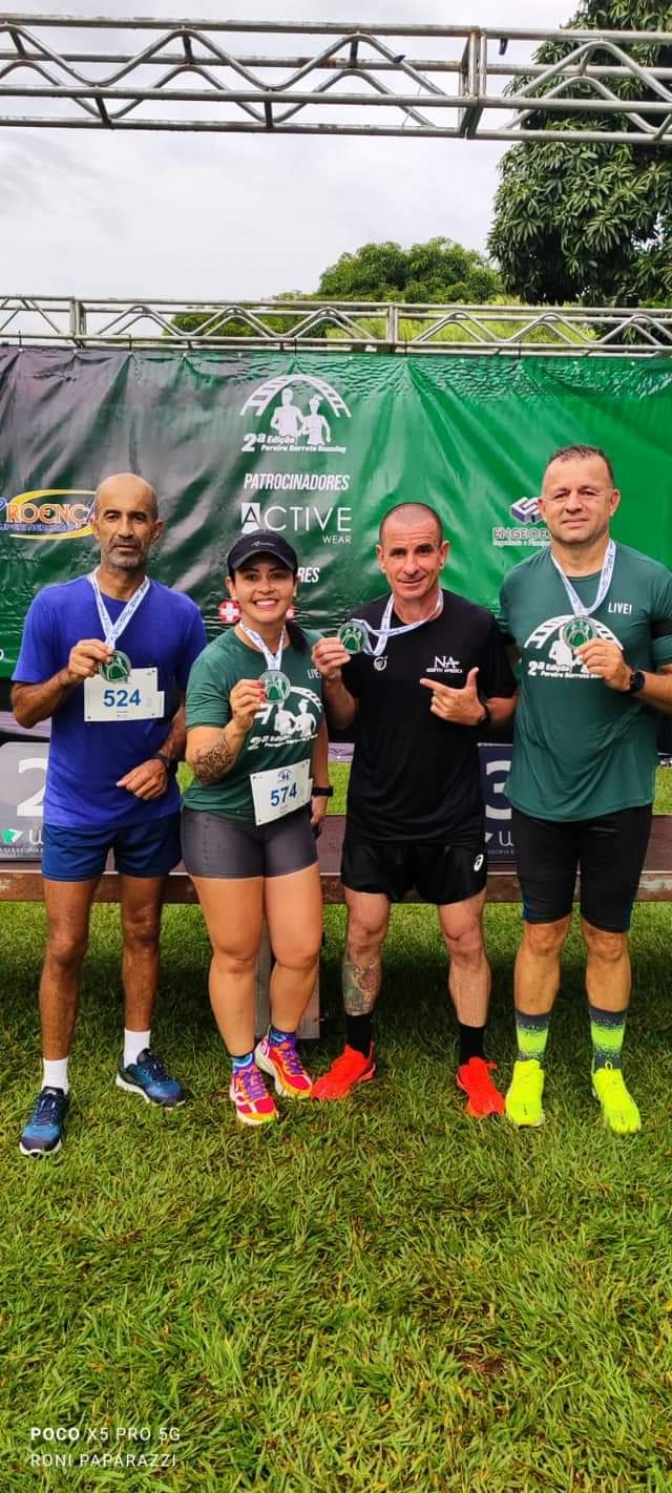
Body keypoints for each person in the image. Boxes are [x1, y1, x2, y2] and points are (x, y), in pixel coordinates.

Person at [11, 472, 207, 1157]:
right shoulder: (55, 606)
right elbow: (25, 708)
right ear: (93, 525)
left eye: (140, 518)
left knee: (144, 930)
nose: (126, 529)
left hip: (150, 805)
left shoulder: (180, 614)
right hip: (74, 805)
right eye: (113, 516)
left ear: (158, 530)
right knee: (65, 944)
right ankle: (55, 1082)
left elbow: (196, 701)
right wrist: (66, 676)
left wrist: (166, 758)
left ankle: (136, 1054)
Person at [311, 502, 517, 1114]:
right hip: (376, 814)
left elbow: (506, 705)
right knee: (363, 935)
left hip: (453, 817)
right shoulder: (359, 626)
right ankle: (357, 1051)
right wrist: (332, 684)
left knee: (464, 938)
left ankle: (473, 1061)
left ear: (444, 554)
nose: (411, 565)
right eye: (398, 553)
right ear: (380, 557)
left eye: (423, 550)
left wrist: (476, 714)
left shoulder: (475, 625)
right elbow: (346, 720)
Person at [500, 445, 672, 1134]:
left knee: (607, 937)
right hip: (539, 790)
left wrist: (631, 677)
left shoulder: (653, 579)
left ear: (612, 501)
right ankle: (529, 1064)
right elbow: (513, 685)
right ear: (540, 507)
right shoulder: (517, 584)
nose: (572, 503)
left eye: (586, 491)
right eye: (559, 493)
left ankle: (607, 1066)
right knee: (541, 932)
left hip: (620, 793)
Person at [182, 530, 330, 1128]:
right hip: (223, 820)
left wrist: (321, 784)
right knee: (238, 951)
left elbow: (318, 720)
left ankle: (281, 1044)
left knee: (301, 948)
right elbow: (203, 764)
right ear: (233, 590)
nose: (264, 587)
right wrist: (239, 725)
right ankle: (243, 1065)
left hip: (287, 816)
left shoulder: (309, 648)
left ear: (294, 585)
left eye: (276, 575)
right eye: (252, 577)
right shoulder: (216, 662)